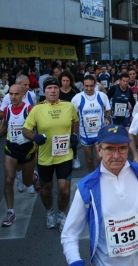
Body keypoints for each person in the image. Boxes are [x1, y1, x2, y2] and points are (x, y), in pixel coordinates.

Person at [61, 125, 138, 266]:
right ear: (99, 150)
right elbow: (70, 233)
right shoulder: (87, 188)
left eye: (122, 148)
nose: (116, 155)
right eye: (110, 149)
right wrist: (74, 260)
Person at [22, 76, 79, 232]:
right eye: (49, 88)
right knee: (46, 189)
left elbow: (75, 120)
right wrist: (35, 137)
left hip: (64, 154)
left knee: (64, 189)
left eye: (55, 87)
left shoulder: (68, 106)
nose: (53, 90)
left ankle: (61, 215)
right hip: (45, 157)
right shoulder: (37, 109)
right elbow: (25, 130)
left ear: (59, 89)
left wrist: (74, 135)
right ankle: (50, 212)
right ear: (44, 91)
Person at [0, 84, 40, 227]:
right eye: (11, 94)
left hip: (27, 149)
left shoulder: (29, 109)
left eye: (16, 94)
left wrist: (34, 138)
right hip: (11, 148)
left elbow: (38, 127)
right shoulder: (7, 110)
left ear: (23, 95)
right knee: (9, 179)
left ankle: (34, 178)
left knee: (27, 182)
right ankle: (11, 212)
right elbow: (5, 125)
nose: (13, 97)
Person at [71, 75, 111, 173]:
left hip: (99, 133)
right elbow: (72, 115)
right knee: (89, 158)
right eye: (86, 86)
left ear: (95, 85)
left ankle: (101, 175)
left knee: (100, 157)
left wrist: (106, 118)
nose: (89, 88)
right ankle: (92, 176)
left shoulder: (102, 96)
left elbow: (108, 109)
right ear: (83, 85)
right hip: (85, 134)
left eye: (91, 86)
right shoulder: (77, 98)